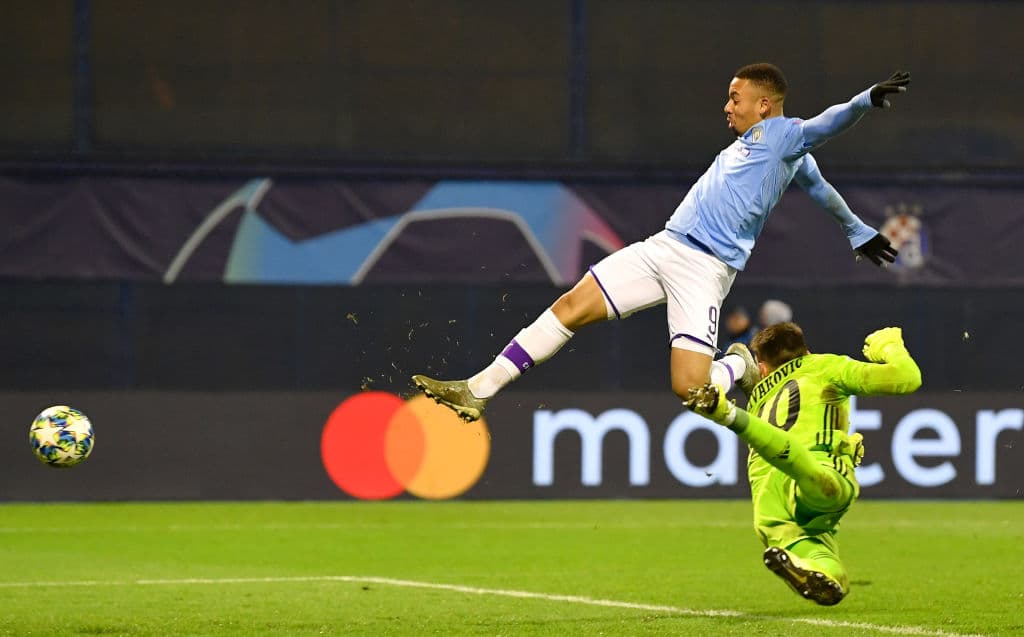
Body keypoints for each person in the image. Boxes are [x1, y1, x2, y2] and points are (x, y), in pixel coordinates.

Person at [412, 63, 908, 422]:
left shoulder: (785, 136)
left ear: (764, 104)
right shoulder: (772, 150)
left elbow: (828, 122)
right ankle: (480, 388)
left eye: (735, 98)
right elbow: (820, 189)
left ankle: (738, 363)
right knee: (571, 305)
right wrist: (856, 230)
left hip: (704, 267)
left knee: (690, 389)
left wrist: (865, 99)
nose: (727, 106)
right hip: (664, 246)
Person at [683, 323, 922, 605]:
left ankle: (820, 572)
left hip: (770, 504)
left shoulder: (759, 398)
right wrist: (889, 345)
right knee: (820, 481)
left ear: (762, 368)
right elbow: (907, 378)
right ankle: (731, 417)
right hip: (816, 475)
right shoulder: (823, 367)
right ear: (805, 350)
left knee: (825, 562)